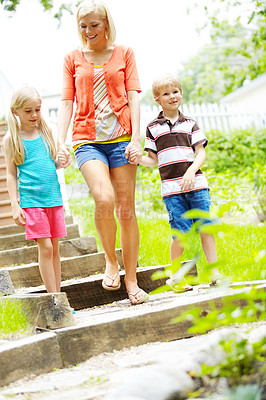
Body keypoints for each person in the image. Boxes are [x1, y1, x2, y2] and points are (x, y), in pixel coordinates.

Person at [57, 0, 148, 304]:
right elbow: (67, 103)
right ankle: (111, 260)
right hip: (87, 140)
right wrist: (59, 141)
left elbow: (134, 97)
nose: (88, 31)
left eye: (94, 25)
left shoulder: (125, 53)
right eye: (83, 26)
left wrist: (136, 139)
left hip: (122, 139)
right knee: (104, 199)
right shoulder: (72, 58)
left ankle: (132, 281)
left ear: (106, 24)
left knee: (126, 209)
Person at [139, 73, 220, 286]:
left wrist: (192, 171)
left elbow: (200, 152)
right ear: (157, 98)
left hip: (197, 186)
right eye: (166, 94)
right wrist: (137, 158)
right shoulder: (153, 127)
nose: (172, 96)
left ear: (181, 93)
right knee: (179, 234)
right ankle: (176, 275)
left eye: (175, 92)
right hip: (172, 191)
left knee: (206, 227)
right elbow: (152, 160)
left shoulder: (190, 124)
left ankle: (214, 273)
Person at [3, 86, 67, 293]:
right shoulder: (11, 139)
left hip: (53, 199)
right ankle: (53, 298)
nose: (34, 115)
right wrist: (15, 205)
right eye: (28, 111)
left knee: (55, 249)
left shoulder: (45, 131)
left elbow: (52, 163)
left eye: (37, 110)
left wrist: (62, 161)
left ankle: (59, 296)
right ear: (16, 111)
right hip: (32, 202)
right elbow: (11, 174)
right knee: (46, 247)